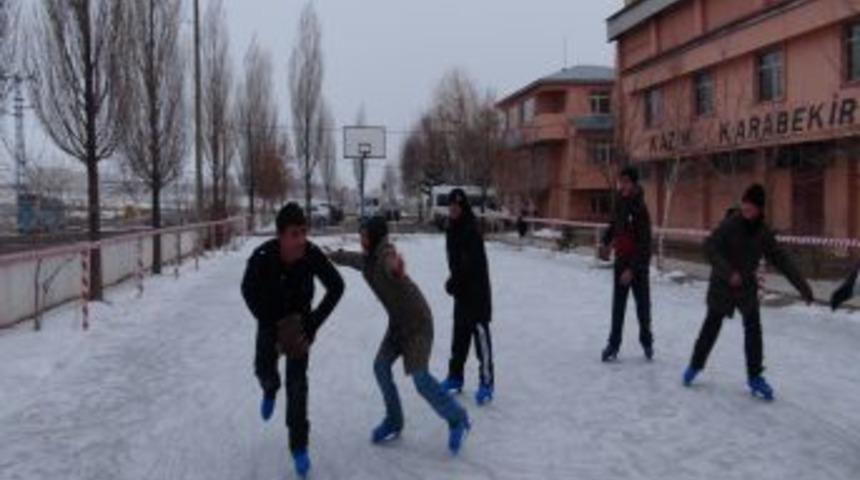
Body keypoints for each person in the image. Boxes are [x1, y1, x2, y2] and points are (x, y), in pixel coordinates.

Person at [327, 217, 471, 455]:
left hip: (418, 323)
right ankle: (394, 420)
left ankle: (457, 418)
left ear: (374, 236)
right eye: (360, 234)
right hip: (398, 325)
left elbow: (390, 263)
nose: (361, 239)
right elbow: (353, 260)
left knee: (420, 378)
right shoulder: (369, 259)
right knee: (380, 367)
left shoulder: (384, 255)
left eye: (364, 235)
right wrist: (332, 255)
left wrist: (396, 267)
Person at [240, 203, 345, 478]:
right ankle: (270, 387)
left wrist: (313, 323)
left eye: (304, 232)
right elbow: (247, 289)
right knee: (263, 367)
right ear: (280, 236)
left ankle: (299, 446)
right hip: (270, 321)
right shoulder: (262, 256)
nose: (301, 240)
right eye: (294, 234)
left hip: (300, 324)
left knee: (298, 386)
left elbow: (337, 286)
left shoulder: (310, 254)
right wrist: (267, 320)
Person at [683, 184, 814, 401]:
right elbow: (709, 247)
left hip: (745, 288)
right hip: (722, 286)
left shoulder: (763, 233)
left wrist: (804, 288)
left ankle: (755, 376)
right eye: (744, 206)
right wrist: (728, 272)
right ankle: (695, 365)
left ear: (760, 210)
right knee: (711, 327)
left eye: (750, 208)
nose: (746, 211)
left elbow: (782, 261)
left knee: (753, 329)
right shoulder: (730, 225)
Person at [439, 189, 495, 406]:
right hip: (462, 295)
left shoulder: (471, 230)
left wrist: (453, 282)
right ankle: (455, 377)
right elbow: (456, 264)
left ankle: (487, 382)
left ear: (463, 208)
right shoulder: (451, 229)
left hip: (477, 295)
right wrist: (455, 282)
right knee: (459, 340)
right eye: (450, 205)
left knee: (481, 342)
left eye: (457, 206)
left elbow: (471, 265)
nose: (453, 209)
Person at [598, 167, 654, 362]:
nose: (623, 185)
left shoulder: (641, 209)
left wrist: (632, 269)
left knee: (642, 308)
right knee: (618, 307)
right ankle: (613, 345)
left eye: (627, 182)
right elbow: (614, 225)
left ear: (635, 184)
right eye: (621, 181)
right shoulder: (620, 203)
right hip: (621, 261)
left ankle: (647, 342)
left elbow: (645, 243)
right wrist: (605, 242)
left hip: (637, 266)